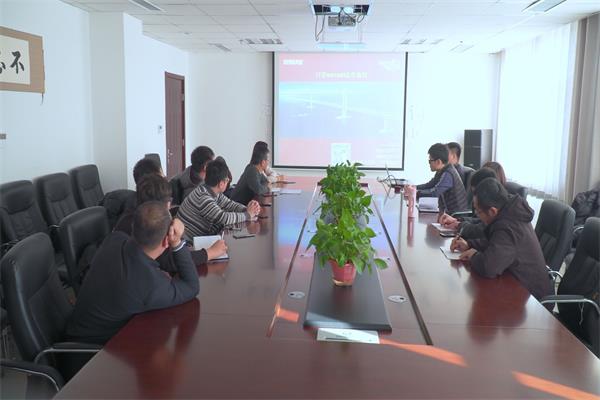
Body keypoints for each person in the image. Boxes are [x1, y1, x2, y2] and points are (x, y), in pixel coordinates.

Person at [66, 201, 200, 344]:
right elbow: (192, 286)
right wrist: (177, 243)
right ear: (167, 241)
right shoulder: (150, 285)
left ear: (133, 226)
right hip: (95, 350)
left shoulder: (115, 239)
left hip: (80, 328)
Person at [450, 178, 552, 300]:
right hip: (515, 284)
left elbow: (489, 267)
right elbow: (495, 244)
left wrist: (474, 255)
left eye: (478, 211)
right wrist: (469, 244)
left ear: (493, 211)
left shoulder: (509, 227)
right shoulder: (510, 212)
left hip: (532, 298)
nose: (477, 214)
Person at [114, 174, 227, 265]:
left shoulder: (129, 217)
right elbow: (172, 261)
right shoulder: (150, 226)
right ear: (166, 204)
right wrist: (210, 253)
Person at [177, 159, 261, 238]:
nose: (228, 181)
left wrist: (248, 209)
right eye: (227, 180)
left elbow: (229, 204)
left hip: (203, 237)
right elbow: (223, 218)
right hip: (191, 243)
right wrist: (247, 215)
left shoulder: (211, 191)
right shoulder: (203, 197)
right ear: (221, 184)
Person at [409, 143, 468, 216]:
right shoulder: (442, 170)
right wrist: (414, 187)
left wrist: (416, 193)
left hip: (457, 216)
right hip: (447, 213)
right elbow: (430, 185)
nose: (429, 163)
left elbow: (435, 192)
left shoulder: (448, 173)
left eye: (430, 161)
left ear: (438, 162)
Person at [439, 167, 498, 239]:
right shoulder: (492, 201)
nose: (474, 197)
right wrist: (458, 220)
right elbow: (478, 220)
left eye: (476, 193)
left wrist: (459, 225)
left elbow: (481, 230)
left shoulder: (501, 213)